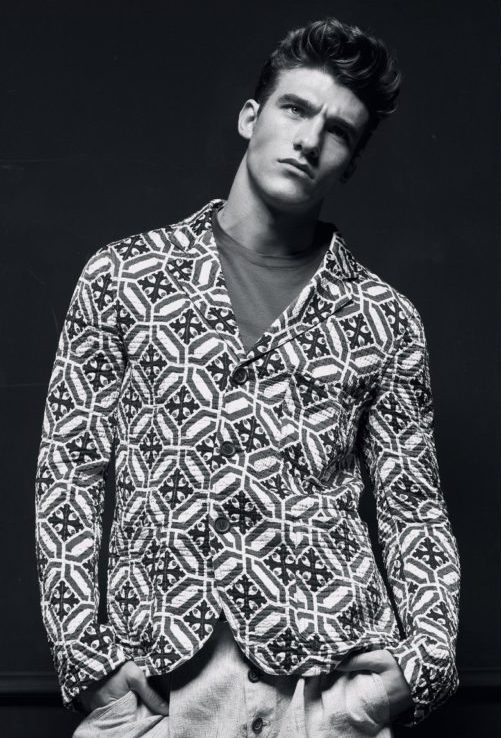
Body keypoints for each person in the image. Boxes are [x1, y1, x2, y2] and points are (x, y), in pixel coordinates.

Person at [35, 16, 460, 738]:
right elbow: (68, 472)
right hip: (158, 691)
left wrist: (415, 672)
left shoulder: (384, 318)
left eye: (338, 131)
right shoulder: (123, 277)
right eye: (295, 108)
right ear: (249, 116)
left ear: (348, 164)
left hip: (325, 693)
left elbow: (412, 509)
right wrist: (85, 660)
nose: (308, 140)